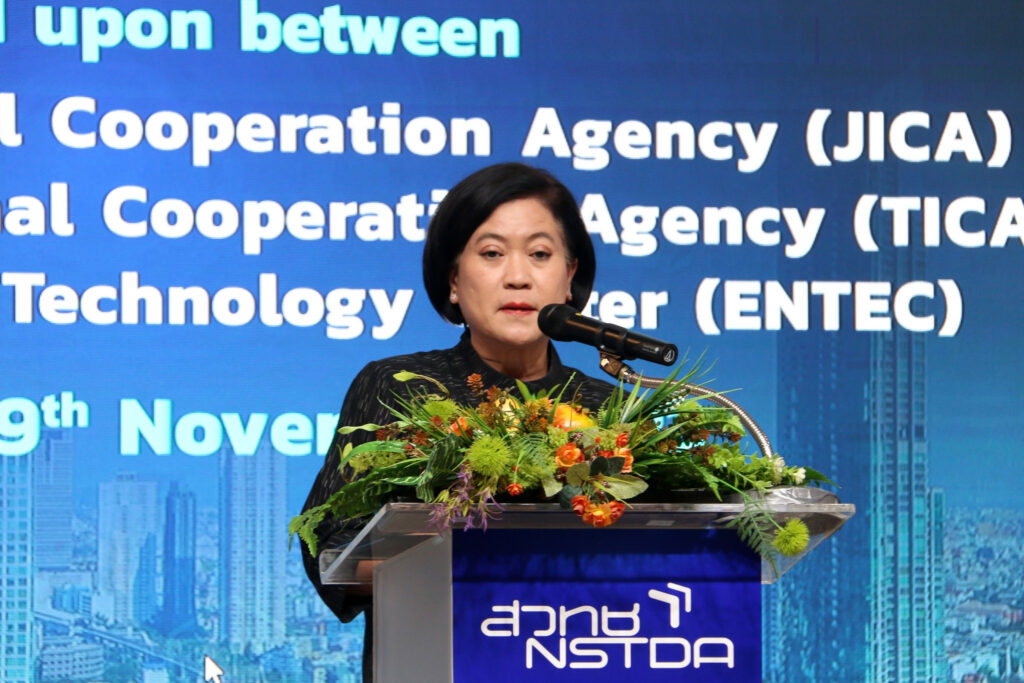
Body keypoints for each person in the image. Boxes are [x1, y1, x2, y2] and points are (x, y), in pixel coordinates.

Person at [300, 162, 615, 681]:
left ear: (569, 278)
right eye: (492, 253)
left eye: (540, 254)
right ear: (453, 280)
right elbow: (330, 549)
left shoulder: (607, 408)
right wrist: (476, 560)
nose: (518, 276)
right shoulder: (400, 388)